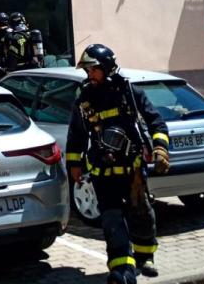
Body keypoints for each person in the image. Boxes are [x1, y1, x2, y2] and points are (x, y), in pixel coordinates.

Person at [65, 44, 170, 283]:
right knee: (112, 218)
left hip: (132, 167)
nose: (89, 75)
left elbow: (155, 121)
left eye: (93, 70)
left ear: (107, 68)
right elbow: (76, 133)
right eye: (87, 71)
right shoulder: (84, 98)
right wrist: (74, 164)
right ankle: (122, 269)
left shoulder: (128, 92)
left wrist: (161, 147)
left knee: (141, 211)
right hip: (102, 169)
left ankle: (145, 256)